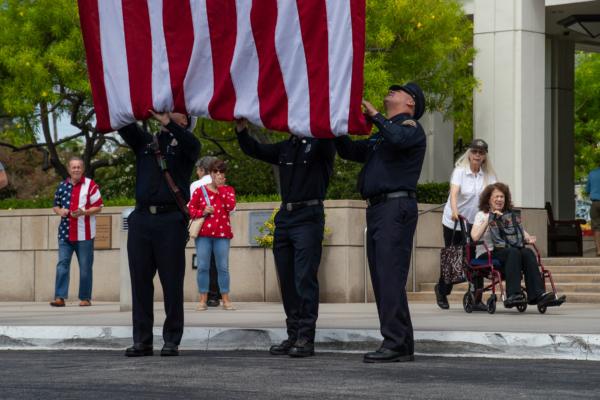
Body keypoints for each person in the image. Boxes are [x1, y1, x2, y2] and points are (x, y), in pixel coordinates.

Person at [335, 83, 426, 363]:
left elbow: (399, 138)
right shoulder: (383, 135)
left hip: (395, 207)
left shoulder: (409, 128)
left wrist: (375, 115)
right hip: (379, 209)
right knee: (384, 278)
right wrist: (334, 126)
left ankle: (395, 342)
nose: (390, 92)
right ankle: (402, 343)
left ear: (410, 102)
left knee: (389, 276)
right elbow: (351, 151)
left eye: (397, 91)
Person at [235, 119, 335, 358]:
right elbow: (254, 149)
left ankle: (305, 337)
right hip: (285, 218)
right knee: (287, 281)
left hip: (308, 216)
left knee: (304, 278)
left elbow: (331, 130)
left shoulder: (321, 143)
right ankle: (293, 334)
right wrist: (241, 130)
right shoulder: (286, 147)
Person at [118, 111, 200, 357]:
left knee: (171, 282)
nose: (170, 112)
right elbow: (124, 125)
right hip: (142, 218)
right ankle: (142, 340)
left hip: (170, 220)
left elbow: (193, 144)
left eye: (177, 112)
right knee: (140, 283)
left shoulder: (186, 146)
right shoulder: (146, 142)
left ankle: (172, 339)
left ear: (185, 121)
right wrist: (127, 103)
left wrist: (168, 123)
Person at [434, 139, 497, 309]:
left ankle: (476, 298)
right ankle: (442, 290)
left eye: (481, 153)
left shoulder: (489, 176)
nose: (477, 155)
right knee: (454, 257)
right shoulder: (460, 171)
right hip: (454, 222)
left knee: (474, 260)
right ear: (469, 154)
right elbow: (454, 194)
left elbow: (495, 196)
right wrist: (455, 211)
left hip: (475, 224)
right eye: (474, 151)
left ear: (484, 156)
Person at [470, 182, 555, 306]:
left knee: (527, 252)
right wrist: (490, 219)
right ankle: (513, 294)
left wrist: (528, 237)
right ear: (489, 199)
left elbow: (520, 231)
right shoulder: (482, 215)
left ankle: (537, 295)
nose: (500, 199)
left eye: (502, 197)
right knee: (513, 252)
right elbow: (475, 236)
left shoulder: (508, 215)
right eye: (496, 197)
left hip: (508, 251)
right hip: (488, 253)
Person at [50, 156, 103, 307]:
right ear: (69, 169)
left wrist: (83, 212)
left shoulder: (91, 185)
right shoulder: (62, 186)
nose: (76, 169)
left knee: (85, 267)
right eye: (73, 167)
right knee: (62, 265)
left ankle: (85, 298)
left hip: (84, 234)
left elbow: (99, 206)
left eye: (79, 167)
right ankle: (60, 297)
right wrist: (60, 211)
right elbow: (55, 206)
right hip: (65, 234)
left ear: (83, 169)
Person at [189, 159, 236, 311]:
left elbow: (230, 206)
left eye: (221, 172)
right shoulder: (200, 190)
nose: (218, 174)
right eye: (215, 171)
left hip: (222, 235)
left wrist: (221, 189)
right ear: (210, 173)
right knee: (203, 267)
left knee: (223, 267)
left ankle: (226, 300)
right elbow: (190, 210)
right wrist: (203, 212)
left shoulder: (228, 190)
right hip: (204, 235)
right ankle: (203, 300)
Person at [190, 156, 222, 307]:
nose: (197, 172)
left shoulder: (196, 185)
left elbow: (192, 207)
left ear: (203, 170)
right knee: (219, 262)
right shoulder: (221, 182)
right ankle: (218, 295)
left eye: (198, 169)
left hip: (204, 228)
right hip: (221, 227)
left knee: (205, 263)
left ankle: (208, 296)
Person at [586, 166, 600, 256]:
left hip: (595, 203)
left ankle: (599, 250)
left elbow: (587, 190)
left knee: (596, 227)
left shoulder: (592, 173)